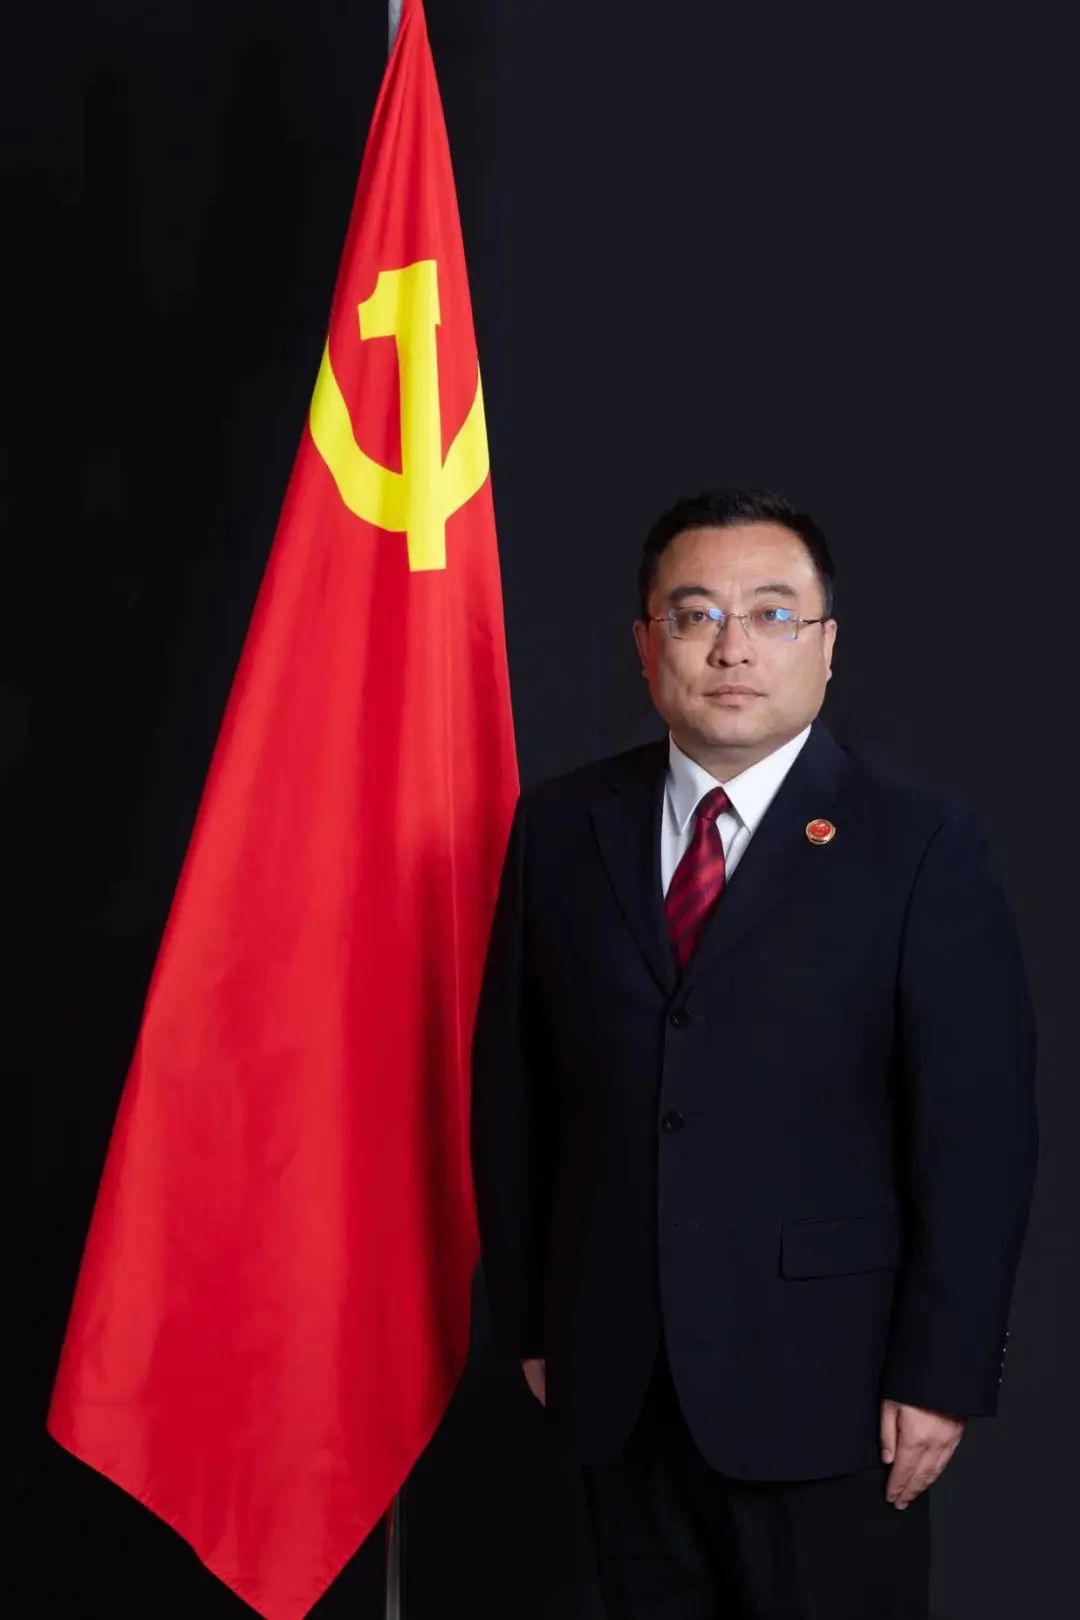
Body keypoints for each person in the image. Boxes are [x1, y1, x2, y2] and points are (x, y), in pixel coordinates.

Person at [469, 488, 1038, 1619]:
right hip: (616, 1373)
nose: (733, 648)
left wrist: (943, 1371)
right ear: (646, 647)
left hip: (833, 1389)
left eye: (773, 615)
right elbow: (515, 1092)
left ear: (827, 646)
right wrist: (533, 1320)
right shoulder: (562, 828)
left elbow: (977, 1135)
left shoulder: (920, 845)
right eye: (696, 615)